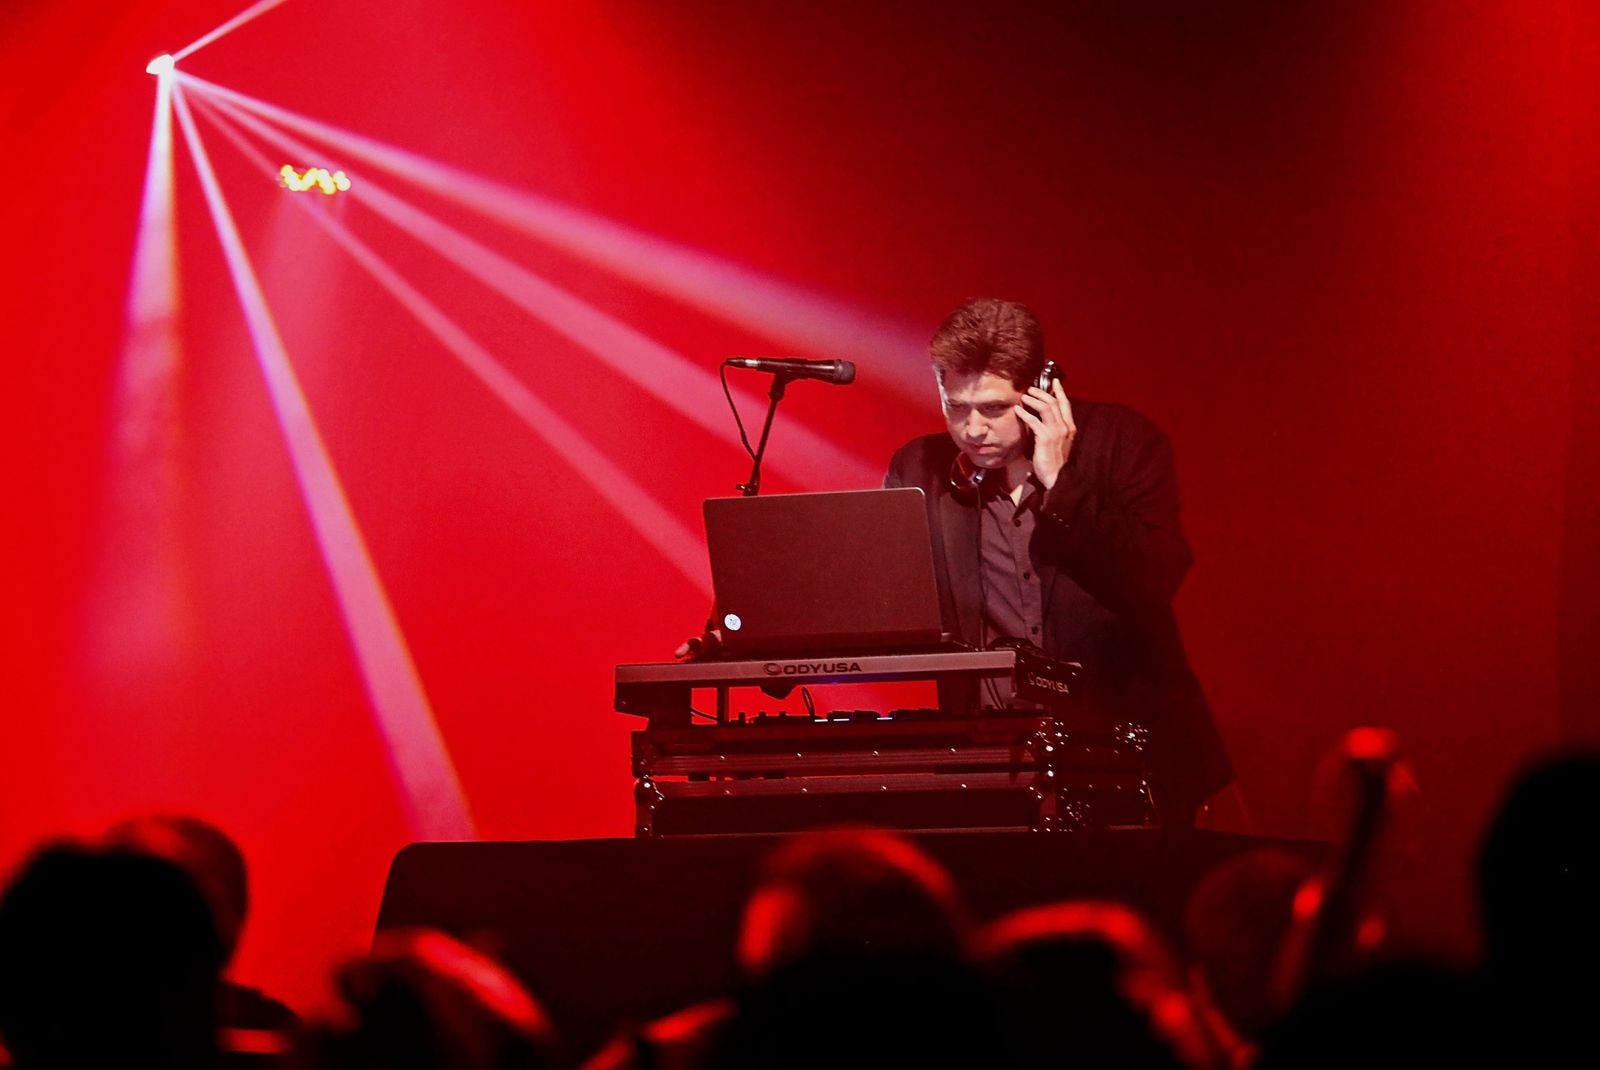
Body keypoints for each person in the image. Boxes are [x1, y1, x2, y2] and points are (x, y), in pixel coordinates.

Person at [883, 297, 1232, 824]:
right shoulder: (919, 468)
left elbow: (1154, 579)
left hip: (1130, 753)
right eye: (956, 407)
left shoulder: (1123, 443)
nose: (972, 428)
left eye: (993, 409)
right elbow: (893, 599)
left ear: (1041, 391)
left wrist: (1061, 485)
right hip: (993, 762)